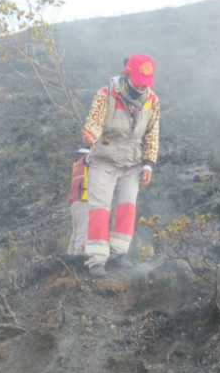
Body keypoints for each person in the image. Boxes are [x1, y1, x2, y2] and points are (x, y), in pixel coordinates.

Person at [80, 53, 160, 278]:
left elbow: (152, 133)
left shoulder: (152, 100)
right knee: (100, 208)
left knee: (127, 208)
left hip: (132, 164)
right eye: (138, 82)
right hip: (104, 160)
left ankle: (117, 255)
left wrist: (148, 164)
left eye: (146, 83)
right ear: (127, 74)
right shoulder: (106, 93)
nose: (142, 87)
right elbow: (94, 120)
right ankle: (96, 259)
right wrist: (91, 134)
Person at [67, 148, 90, 256]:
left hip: (74, 201)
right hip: (83, 200)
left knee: (75, 233)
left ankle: (70, 257)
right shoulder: (86, 160)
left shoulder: (76, 165)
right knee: (82, 232)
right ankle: (78, 258)